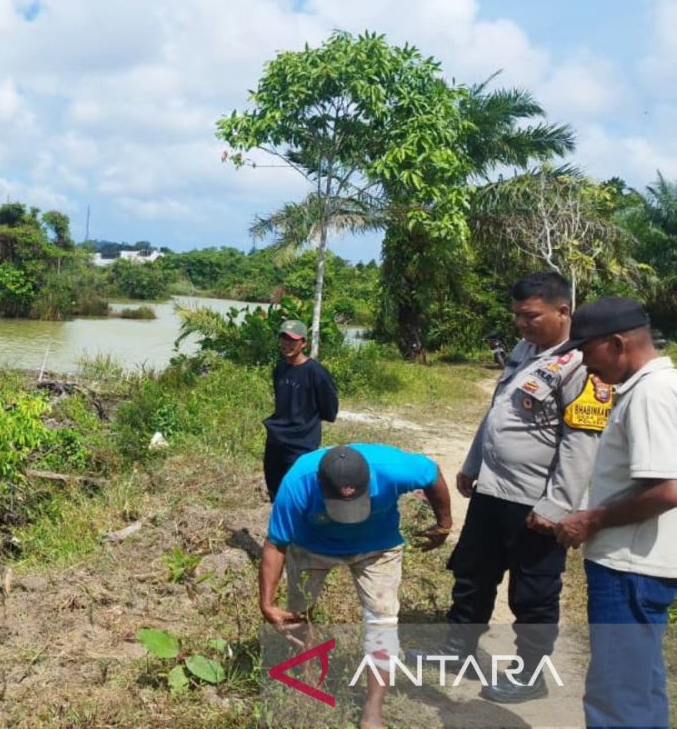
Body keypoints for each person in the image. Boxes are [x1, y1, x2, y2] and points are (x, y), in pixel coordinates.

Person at [408, 272, 607, 703]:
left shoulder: (581, 364)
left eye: (530, 315)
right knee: (472, 573)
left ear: (563, 311)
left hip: (535, 501)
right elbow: (499, 408)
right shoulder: (524, 350)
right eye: (517, 315)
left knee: (533, 592)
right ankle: (457, 651)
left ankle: (530, 674)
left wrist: (556, 506)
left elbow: (580, 445)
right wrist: (473, 462)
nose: (521, 323)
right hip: (493, 490)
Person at [260, 444, 452, 729]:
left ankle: (373, 710)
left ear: (369, 481)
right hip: (312, 546)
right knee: (297, 614)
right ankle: (308, 677)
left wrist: (444, 523)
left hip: (378, 547)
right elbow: (276, 544)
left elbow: (432, 474)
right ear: (320, 485)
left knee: (383, 620)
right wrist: (266, 604)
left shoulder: (394, 468)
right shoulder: (298, 482)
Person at [552, 297, 677, 729]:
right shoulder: (652, 388)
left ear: (618, 344)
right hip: (636, 567)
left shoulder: (651, 394)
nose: (585, 365)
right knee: (639, 687)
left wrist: (591, 519)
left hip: (630, 569)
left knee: (618, 695)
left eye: (587, 351)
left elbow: (667, 489)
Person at [262, 319, 339, 500]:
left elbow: (330, 411)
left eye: (293, 340)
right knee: (275, 488)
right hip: (276, 439)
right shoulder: (280, 370)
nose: (287, 344)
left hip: (301, 442)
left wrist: (306, 422)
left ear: (304, 343)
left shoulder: (316, 372)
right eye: (284, 339)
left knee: (296, 492)